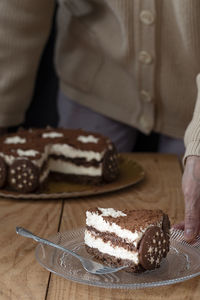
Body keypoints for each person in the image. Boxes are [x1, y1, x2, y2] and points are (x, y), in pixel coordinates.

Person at [0, 0, 200, 241]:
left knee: (190, 228)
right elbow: (15, 11)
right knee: (68, 219)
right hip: (94, 73)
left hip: (192, 94)